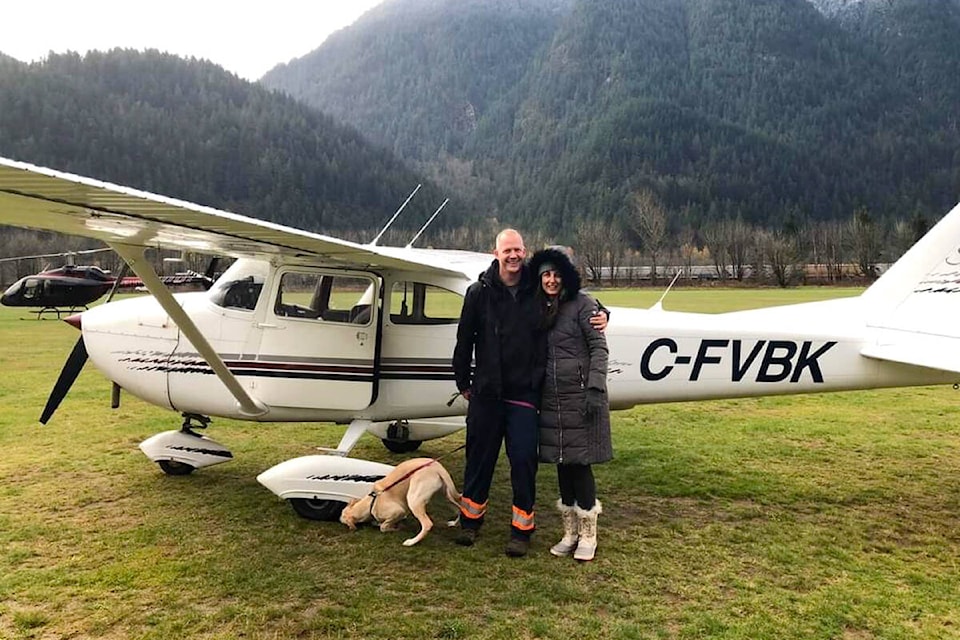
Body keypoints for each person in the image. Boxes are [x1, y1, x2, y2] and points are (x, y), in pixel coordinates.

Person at [452, 230, 606, 557]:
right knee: (479, 459)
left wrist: (603, 312)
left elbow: (572, 296)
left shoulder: (534, 289)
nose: (513, 256)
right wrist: (462, 379)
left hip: (523, 393)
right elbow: (464, 339)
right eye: (507, 250)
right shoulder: (478, 292)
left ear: (524, 253)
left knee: (523, 461)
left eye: (518, 250)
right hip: (487, 393)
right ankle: (469, 521)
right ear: (496, 252)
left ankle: (521, 530)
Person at [529, 247, 613, 562]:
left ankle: (589, 534)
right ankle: (570, 532)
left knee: (580, 463)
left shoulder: (584, 305)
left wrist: (594, 387)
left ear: (566, 278)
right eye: (545, 275)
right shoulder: (539, 306)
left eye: (556, 275)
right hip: (550, 398)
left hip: (579, 396)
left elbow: (599, 348)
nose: (550, 280)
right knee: (561, 463)